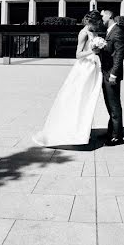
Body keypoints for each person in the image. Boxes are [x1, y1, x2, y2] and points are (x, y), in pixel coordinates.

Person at [32, 10, 104, 147]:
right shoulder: (83, 33)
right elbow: (78, 54)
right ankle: (73, 129)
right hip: (84, 68)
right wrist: (93, 51)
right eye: (97, 23)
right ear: (91, 22)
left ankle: (83, 128)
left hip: (93, 67)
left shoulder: (94, 32)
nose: (98, 26)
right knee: (80, 97)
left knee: (89, 99)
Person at [99, 9, 124, 145]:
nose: (101, 18)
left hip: (111, 75)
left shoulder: (118, 32)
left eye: (102, 15)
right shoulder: (109, 31)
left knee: (114, 105)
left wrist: (114, 74)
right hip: (106, 73)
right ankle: (111, 131)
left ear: (109, 15)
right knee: (109, 104)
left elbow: (119, 56)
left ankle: (117, 136)